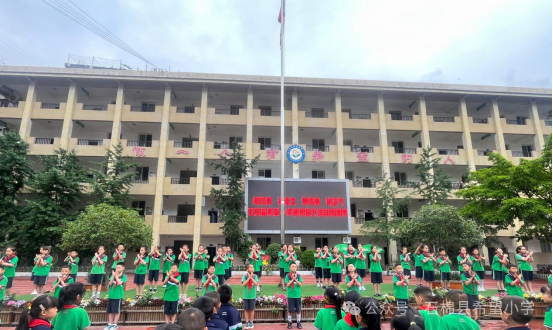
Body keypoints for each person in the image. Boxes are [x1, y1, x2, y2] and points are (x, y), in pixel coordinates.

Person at [106, 262, 126, 330]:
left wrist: (116, 276)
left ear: (123, 268)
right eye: (116, 268)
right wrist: (113, 276)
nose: (117, 269)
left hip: (118, 296)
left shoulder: (124, 276)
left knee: (116, 311)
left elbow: (120, 283)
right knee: (110, 310)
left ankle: (115, 324)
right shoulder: (113, 275)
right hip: (111, 295)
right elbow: (110, 283)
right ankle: (110, 323)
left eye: (119, 268)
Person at [286, 263, 303, 329]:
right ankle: (289, 322)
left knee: (298, 310)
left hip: (297, 295)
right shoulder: (287, 276)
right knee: (290, 311)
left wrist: (295, 279)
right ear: (290, 268)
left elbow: (300, 284)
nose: (294, 268)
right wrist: (292, 279)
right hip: (291, 296)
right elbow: (287, 285)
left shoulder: (299, 276)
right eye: (292, 266)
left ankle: (298, 322)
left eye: (295, 267)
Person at [242, 264, 258, 330]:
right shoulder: (244, 276)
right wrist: (249, 278)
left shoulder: (255, 276)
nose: (252, 269)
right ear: (247, 269)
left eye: (253, 267)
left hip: (252, 296)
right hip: (246, 296)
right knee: (246, 310)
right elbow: (243, 284)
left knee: (251, 309)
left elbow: (256, 284)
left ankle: (251, 322)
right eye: (251, 267)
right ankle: (247, 322)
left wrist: (251, 277)